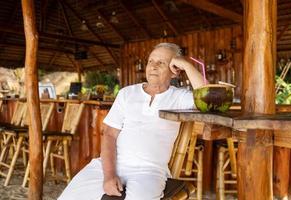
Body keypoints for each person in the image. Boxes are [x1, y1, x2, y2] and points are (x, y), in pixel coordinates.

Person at [58, 43, 205, 200]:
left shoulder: (179, 97)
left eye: (161, 63)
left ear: (175, 72)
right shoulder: (127, 93)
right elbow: (109, 135)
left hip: (149, 171)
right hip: (109, 165)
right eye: (150, 61)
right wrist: (109, 175)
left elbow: (208, 97)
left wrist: (185, 64)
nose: (153, 66)